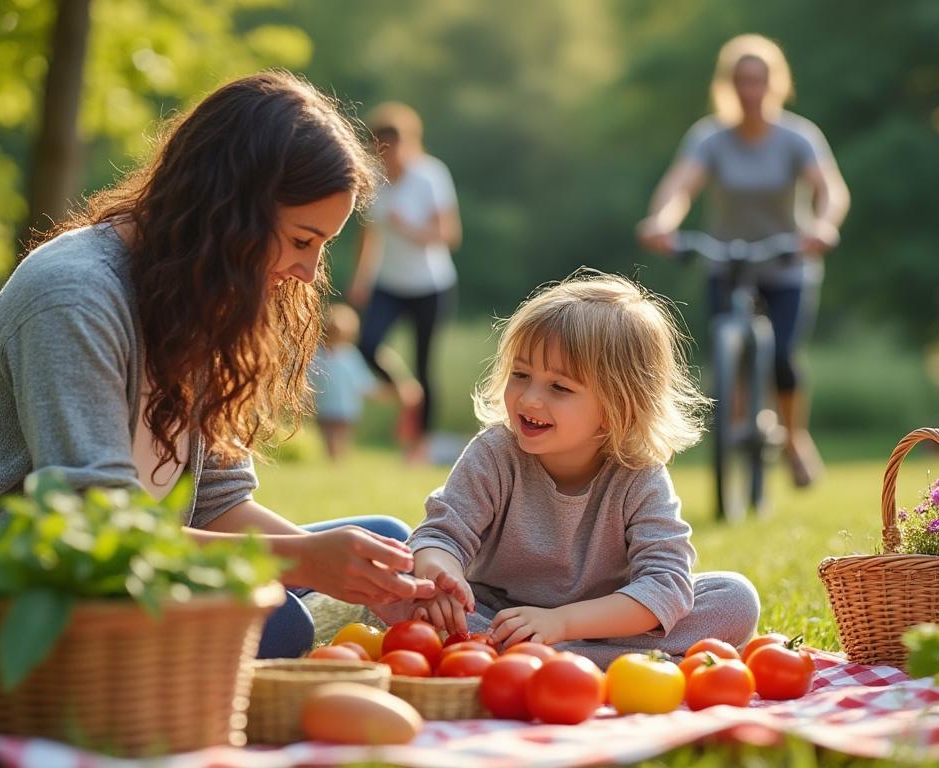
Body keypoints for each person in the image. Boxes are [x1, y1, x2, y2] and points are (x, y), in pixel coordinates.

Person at [0, 71, 435, 678]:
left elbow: (217, 504)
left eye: (322, 246)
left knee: (383, 545)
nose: (308, 272)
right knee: (276, 620)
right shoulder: (73, 298)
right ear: (233, 211)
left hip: (121, 572)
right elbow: (96, 532)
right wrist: (302, 562)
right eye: (302, 239)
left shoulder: (200, 292)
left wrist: (348, 570)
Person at [404, 272, 761, 669]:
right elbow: (441, 534)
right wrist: (442, 578)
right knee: (399, 582)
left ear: (618, 409)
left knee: (735, 599)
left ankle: (552, 658)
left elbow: (667, 583)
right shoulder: (494, 453)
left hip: (604, 619)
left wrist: (562, 623)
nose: (529, 398)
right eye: (521, 375)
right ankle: (603, 661)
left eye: (559, 387)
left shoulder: (639, 475)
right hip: (495, 614)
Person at [637, 33, 850, 487]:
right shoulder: (711, 137)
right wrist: (662, 220)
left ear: (775, 83)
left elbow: (830, 188)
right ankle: (740, 430)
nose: (749, 90)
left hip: (787, 262)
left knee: (783, 359)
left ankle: (794, 439)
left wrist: (822, 225)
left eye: (758, 80)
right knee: (725, 355)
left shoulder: (798, 136)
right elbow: (680, 186)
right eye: (740, 80)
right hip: (728, 261)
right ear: (728, 85)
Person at [348, 102, 461, 464]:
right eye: (380, 148)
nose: (388, 155)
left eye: (394, 146)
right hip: (389, 283)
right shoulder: (373, 182)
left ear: (408, 143)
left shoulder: (431, 175)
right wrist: (361, 279)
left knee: (425, 362)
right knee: (365, 345)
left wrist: (408, 227)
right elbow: (369, 236)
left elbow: (448, 234)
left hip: (431, 285)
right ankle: (403, 389)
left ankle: (419, 447)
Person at [309, 303, 421, 461]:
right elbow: (365, 384)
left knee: (334, 436)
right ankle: (336, 462)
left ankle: (335, 461)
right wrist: (387, 393)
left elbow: (364, 384)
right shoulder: (340, 356)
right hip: (337, 407)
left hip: (334, 407)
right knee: (336, 436)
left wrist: (386, 393)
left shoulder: (327, 355)